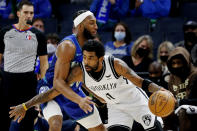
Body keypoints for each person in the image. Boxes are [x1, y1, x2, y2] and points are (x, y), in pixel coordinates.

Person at [10, 40, 165, 131]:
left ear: (101, 59)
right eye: (84, 57)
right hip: (116, 107)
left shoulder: (116, 64)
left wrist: (161, 90)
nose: (86, 61)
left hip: (136, 102)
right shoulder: (79, 72)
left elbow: (142, 82)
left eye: (90, 58)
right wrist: (25, 106)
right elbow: (52, 92)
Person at [9, 10, 106, 131]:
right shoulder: (68, 46)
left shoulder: (90, 48)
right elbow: (58, 84)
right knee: (55, 124)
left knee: (100, 129)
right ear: (80, 26)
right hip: (50, 88)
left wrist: (100, 97)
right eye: (92, 23)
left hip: (72, 89)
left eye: (96, 23)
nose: (96, 27)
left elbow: (83, 78)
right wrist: (79, 100)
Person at [0, 0, 48, 130]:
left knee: (26, 124)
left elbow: (44, 64)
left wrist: (42, 84)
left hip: (28, 86)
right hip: (6, 83)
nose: (29, 16)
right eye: (26, 12)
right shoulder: (5, 32)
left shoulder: (39, 35)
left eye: (31, 13)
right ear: (18, 13)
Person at [165, 47, 197, 131]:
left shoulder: (195, 74)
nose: (176, 66)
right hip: (177, 106)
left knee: (183, 111)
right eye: (174, 63)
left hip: (193, 106)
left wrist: (179, 102)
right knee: (163, 111)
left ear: (185, 62)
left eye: (179, 63)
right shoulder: (172, 77)